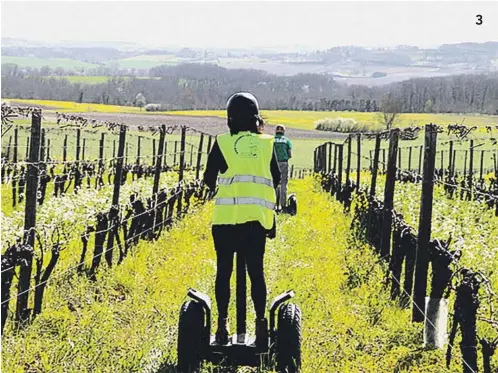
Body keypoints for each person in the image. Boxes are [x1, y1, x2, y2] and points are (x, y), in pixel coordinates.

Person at [203, 92, 281, 347]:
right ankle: (260, 327)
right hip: (256, 222)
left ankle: (223, 326)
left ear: (230, 118)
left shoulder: (222, 143)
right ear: (256, 118)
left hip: (226, 220)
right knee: (255, 273)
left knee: (224, 271)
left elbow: (208, 178)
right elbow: (276, 178)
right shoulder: (266, 144)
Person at [274, 124, 292, 211]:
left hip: (273, 164)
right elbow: (290, 155)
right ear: (283, 132)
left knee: (273, 184)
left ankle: (273, 204)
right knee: (283, 184)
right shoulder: (287, 141)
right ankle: (283, 205)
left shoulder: (271, 140)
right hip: (283, 163)